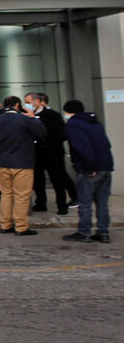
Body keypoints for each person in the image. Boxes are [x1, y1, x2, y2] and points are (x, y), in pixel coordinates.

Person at [0, 95, 46, 236]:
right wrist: (33, 117)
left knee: (6, 195)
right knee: (22, 196)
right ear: (18, 105)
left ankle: (5, 225)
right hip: (22, 163)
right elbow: (42, 133)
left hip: (2, 163)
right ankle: (21, 226)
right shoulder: (25, 120)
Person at [62, 100, 113, 243]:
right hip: (105, 166)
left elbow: (82, 147)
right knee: (102, 203)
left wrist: (89, 168)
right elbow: (105, 144)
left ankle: (84, 232)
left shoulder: (74, 124)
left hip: (89, 168)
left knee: (85, 202)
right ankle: (103, 232)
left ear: (68, 111)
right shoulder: (95, 122)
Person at [23, 92, 78, 215]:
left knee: (57, 179)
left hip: (53, 153)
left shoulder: (52, 115)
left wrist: (47, 142)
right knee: (38, 180)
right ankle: (41, 203)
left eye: (28, 102)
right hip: (36, 153)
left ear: (37, 102)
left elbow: (61, 134)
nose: (26, 105)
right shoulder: (26, 116)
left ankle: (62, 205)